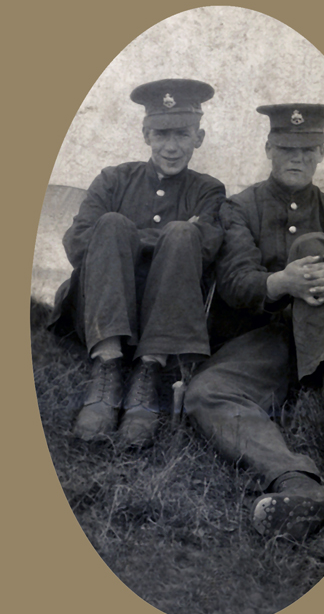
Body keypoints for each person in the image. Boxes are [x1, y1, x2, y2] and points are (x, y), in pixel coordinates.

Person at [185, 102, 324, 540]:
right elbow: (236, 281)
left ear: (323, 153)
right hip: (268, 337)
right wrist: (283, 282)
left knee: (316, 245)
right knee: (205, 394)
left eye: (308, 150)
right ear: (268, 148)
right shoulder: (240, 207)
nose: (297, 158)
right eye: (286, 148)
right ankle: (298, 483)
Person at [49, 79, 225, 446]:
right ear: (146, 135)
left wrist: (148, 239)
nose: (171, 147)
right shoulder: (113, 179)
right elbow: (78, 243)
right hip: (102, 310)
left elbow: (206, 249)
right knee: (112, 224)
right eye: (161, 134)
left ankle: (148, 374)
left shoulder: (208, 190)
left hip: (165, 317)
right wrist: (136, 237)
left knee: (182, 235)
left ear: (200, 137)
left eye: (182, 134)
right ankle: (107, 369)